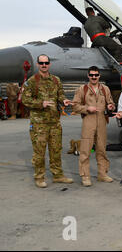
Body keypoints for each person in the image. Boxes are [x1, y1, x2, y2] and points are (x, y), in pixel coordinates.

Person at [21, 54, 73, 188]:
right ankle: (39, 177)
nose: (44, 65)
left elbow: (60, 94)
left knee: (56, 150)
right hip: (39, 124)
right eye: (41, 63)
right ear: (38, 64)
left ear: (49, 64)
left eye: (46, 63)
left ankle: (58, 175)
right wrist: (40, 103)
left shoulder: (56, 80)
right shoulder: (32, 81)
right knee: (39, 152)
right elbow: (25, 99)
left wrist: (64, 100)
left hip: (55, 122)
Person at [71, 66, 115, 186]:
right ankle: (85, 176)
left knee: (101, 149)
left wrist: (110, 106)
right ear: (88, 76)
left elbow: (110, 103)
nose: (94, 77)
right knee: (85, 150)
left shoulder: (105, 89)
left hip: (101, 121)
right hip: (88, 121)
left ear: (99, 76)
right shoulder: (82, 89)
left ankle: (102, 174)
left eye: (96, 75)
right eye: (91, 75)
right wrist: (86, 108)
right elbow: (74, 106)